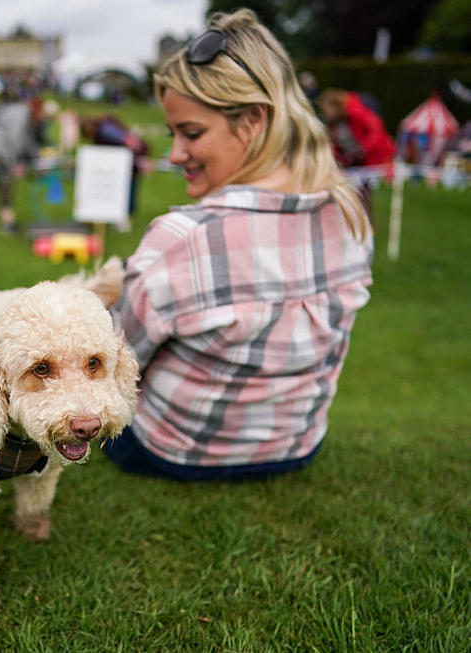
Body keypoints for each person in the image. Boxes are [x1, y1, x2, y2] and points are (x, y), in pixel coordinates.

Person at [97, 9, 373, 481]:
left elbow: (114, 369)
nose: (175, 155)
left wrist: (106, 296)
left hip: (171, 452)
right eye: (173, 134)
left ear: (251, 120)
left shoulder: (181, 239)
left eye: (191, 133)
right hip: (296, 447)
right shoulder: (350, 214)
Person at [0, 87, 42, 234]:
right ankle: (7, 223)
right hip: (2, 150)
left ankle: (6, 219)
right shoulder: (22, 111)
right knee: (6, 186)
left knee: (2, 186)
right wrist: (26, 157)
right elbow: (18, 137)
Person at [79, 113, 152, 218]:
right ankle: (123, 214)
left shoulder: (105, 130)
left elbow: (131, 143)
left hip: (127, 162)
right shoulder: (106, 125)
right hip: (129, 160)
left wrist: (140, 159)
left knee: (125, 189)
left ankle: (123, 215)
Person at [317, 88, 395, 168]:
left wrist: (364, 149)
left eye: (327, 109)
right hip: (357, 163)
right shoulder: (333, 125)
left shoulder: (357, 113)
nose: (325, 113)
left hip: (377, 159)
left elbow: (376, 131)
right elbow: (336, 147)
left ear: (336, 105)